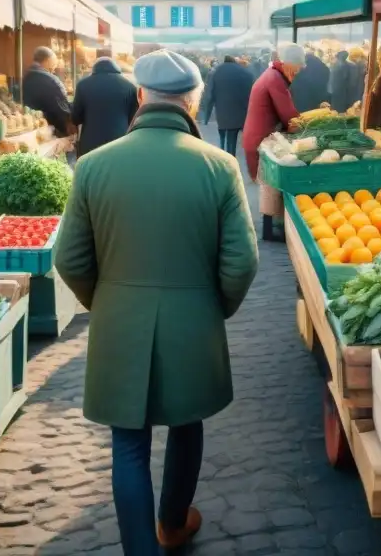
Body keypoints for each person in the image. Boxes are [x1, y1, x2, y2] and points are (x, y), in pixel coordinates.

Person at [54, 50, 258, 556]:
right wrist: (214, 307)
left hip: (119, 316)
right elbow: (242, 262)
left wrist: (102, 301)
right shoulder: (219, 165)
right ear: (192, 100)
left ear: (140, 97)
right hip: (193, 317)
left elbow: (71, 258)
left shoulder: (94, 165)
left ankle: (140, 549)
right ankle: (172, 523)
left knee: (128, 442)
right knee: (187, 425)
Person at [241, 43, 304, 182]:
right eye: (297, 66)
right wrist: (306, 128)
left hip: (257, 140)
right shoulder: (275, 79)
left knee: (264, 189)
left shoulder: (272, 74)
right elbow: (290, 118)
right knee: (267, 191)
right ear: (288, 63)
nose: (298, 71)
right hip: (260, 143)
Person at [71, 55, 139, 157]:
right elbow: (134, 118)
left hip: (90, 143)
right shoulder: (129, 86)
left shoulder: (82, 85)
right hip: (119, 141)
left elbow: (75, 118)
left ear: (94, 68)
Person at [198, 55, 254, 157]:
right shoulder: (244, 72)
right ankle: (229, 156)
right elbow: (252, 91)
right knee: (232, 136)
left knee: (223, 132)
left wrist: (207, 114)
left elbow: (209, 95)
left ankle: (223, 153)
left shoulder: (216, 72)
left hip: (222, 111)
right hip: (240, 111)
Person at [23, 46, 75, 139]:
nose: (55, 68)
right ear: (47, 60)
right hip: (52, 130)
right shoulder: (50, 80)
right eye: (54, 63)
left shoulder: (27, 77)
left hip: (34, 126)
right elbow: (61, 108)